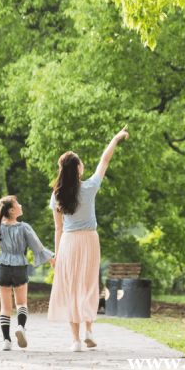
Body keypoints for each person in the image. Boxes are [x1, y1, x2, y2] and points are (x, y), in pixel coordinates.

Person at [47, 125, 129, 352]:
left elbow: (58, 228)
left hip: (69, 243)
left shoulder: (57, 195)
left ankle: (75, 341)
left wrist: (57, 255)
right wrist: (115, 138)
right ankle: (89, 331)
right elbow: (105, 160)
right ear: (79, 170)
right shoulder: (90, 187)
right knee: (89, 285)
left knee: (72, 288)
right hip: (90, 241)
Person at [0, 196, 55, 351]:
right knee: (21, 303)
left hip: (2, 267)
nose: (21, 205)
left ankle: (6, 341)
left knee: (5, 307)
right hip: (19, 267)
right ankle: (21, 327)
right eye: (18, 204)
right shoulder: (24, 227)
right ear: (12, 210)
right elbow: (38, 247)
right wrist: (51, 260)